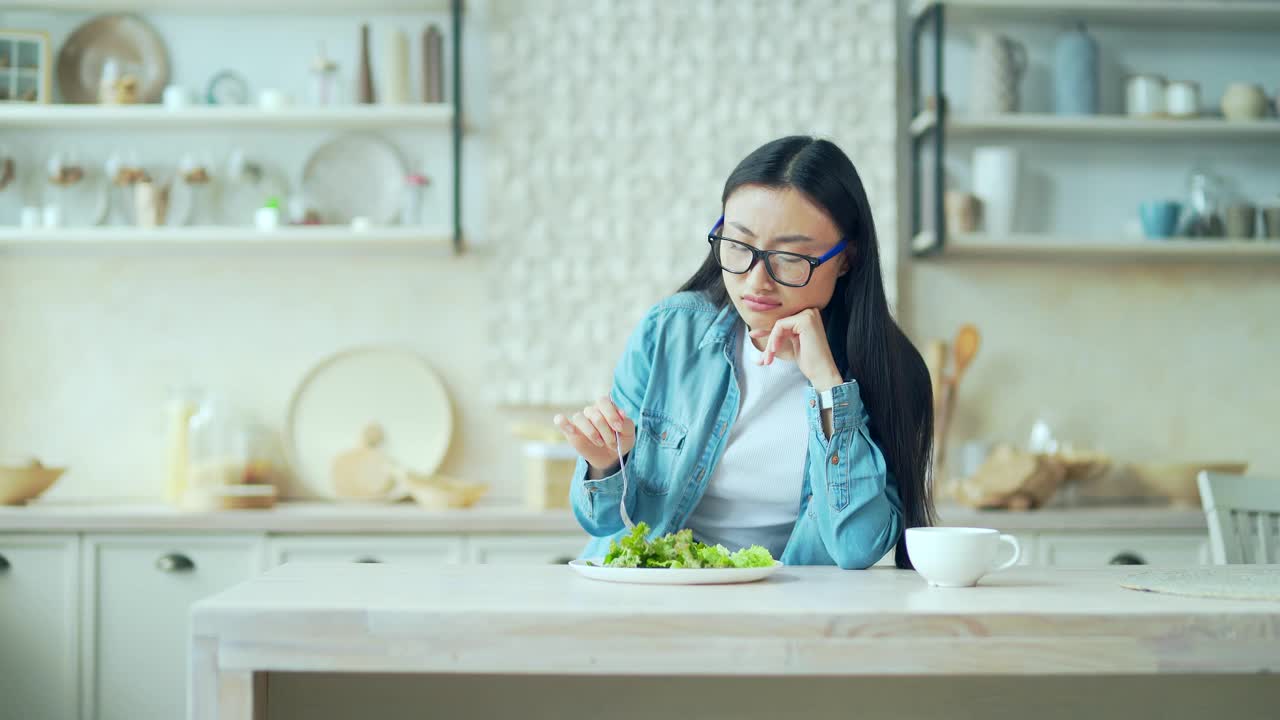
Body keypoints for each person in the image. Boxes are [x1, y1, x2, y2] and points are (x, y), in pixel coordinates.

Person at [554, 135, 935, 569]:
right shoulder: (670, 333)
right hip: (649, 597)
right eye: (738, 245)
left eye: (790, 257)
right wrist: (606, 465)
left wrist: (829, 387)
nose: (756, 281)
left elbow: (857, 547)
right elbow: (601, 522)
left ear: (846, 258)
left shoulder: (893, 372)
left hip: (777, 614)